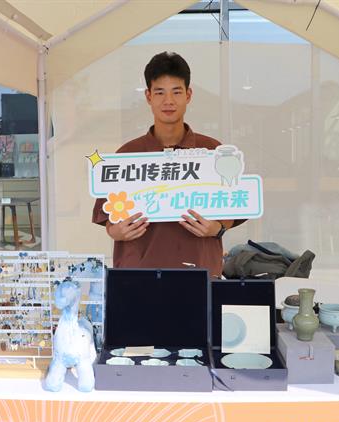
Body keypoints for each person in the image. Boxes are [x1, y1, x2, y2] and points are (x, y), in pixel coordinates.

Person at [92, 51, 243, 278]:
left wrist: (218, 228)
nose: (168, 101)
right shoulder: (126, 155)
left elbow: (236, 206)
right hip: (139, 275)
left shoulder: (214, 152)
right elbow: (108, 220)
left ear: (188, 95)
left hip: (199, 273)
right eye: (160, 92)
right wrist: (117, 232)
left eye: (176, 92)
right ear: (148, 96)